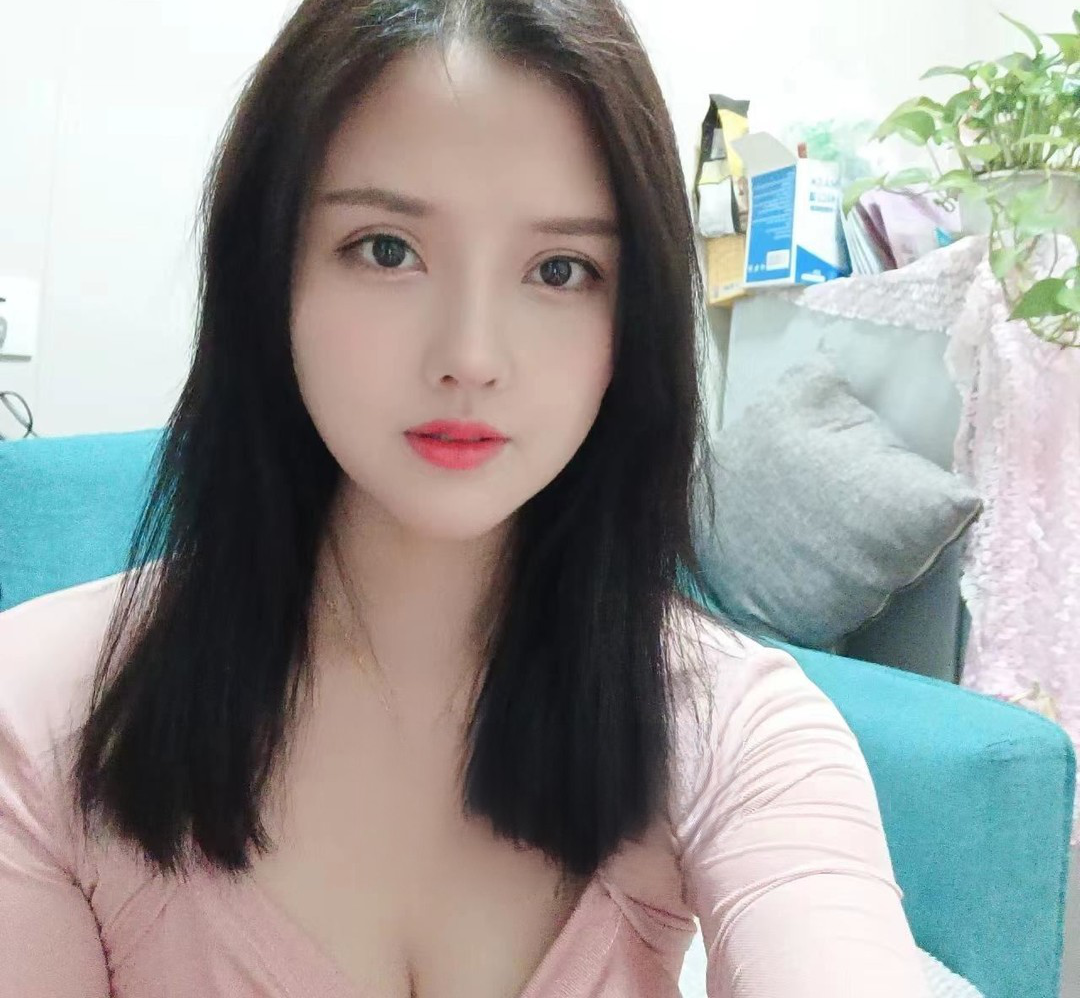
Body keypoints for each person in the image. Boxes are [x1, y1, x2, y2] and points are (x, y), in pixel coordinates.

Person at [0, 1, 931, 995]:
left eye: (560, 270)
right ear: (267, 274)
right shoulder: (39, 714)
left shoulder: (739, 728)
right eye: (386, 249)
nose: (472, 356)